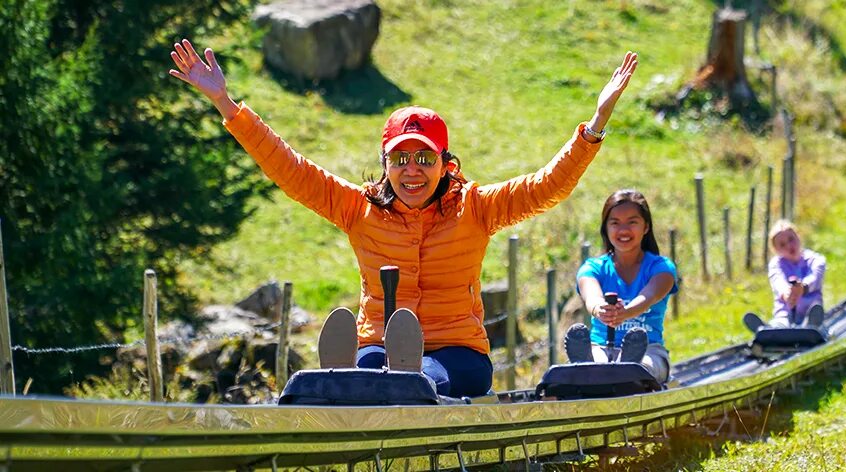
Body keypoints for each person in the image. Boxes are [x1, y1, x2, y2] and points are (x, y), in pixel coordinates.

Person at [169, 39, 639, 398]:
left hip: (459, 352)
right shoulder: (358, 208)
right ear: (385, 165)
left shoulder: (475, 206)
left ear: (445, 164)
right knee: (375, 370)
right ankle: (351, 379)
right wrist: (227, 106)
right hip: (376, 342)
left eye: (423, 159)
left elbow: (546, 186)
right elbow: (291, 169)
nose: (411, 170)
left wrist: (594, 125)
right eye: (400, 160)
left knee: (421, 378)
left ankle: (380, 383)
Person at [564, 190, 678, 383]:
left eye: (632, 222)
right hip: (600, 347)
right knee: (598, 365)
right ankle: (593, 367)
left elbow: (648, 297)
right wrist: (601, 310)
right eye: (615, 223)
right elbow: (591, 297)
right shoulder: (592, 268)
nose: (623, 230)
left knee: (644, 368)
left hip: (649, 350)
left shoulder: (662, 268)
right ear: (606, 229)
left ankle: (626, 369)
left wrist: (625, 312)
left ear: (646, 227)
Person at [751, 220, 826, 330]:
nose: (789, 245)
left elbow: (815, 279)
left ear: (798, 236)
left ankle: (810, 325)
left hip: (810, 310)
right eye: (782, 244)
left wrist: (802, 288)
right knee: (781, 322)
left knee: (812, 317)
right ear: (776, 249)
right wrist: (787, 293)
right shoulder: (776, 264)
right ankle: (769, 330)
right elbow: (778, 281)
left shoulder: (816, 259)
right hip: (785, 313)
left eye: (791, 239)